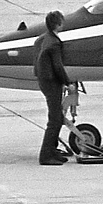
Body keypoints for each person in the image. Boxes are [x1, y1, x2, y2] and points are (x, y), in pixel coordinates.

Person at [34, 9, 73, 165]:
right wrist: (68, 82)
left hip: (44, 80)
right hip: (51, 83)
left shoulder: (44, 38)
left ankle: (53, 151)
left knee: (56, 117)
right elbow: (58, 66)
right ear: (58, 24)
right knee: (55, 119)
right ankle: (45, 155)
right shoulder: (54, 43)